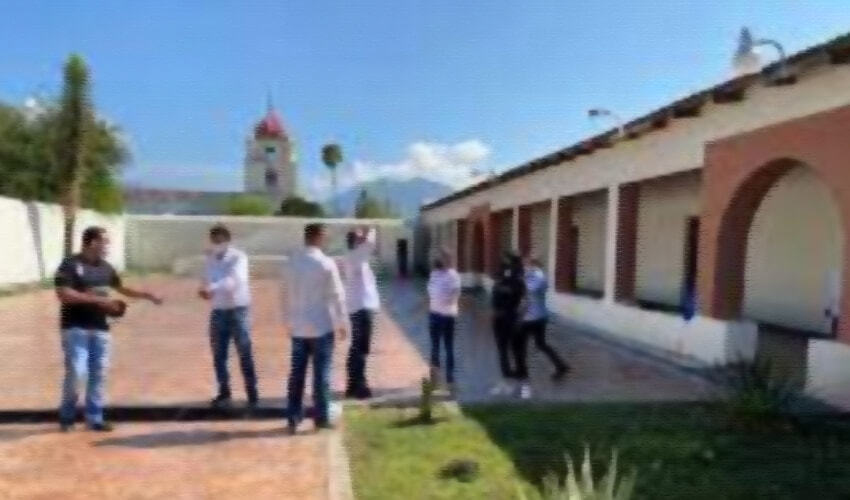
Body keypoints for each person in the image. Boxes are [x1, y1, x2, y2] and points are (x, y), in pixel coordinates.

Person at [54, 226, 162, 432]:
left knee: (99, 373)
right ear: (93, 242)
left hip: (100, 329)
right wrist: (98, 300)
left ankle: (94, 418)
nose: (108, 246)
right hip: (75, 327)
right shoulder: (70, 264)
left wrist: (147, 295)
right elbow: (63, 294)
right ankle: (67, 417)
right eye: (105, 242)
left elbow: (121, 288)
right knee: (77, 372)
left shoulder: (106, 267)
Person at [283, 223, 349, 434]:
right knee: (321, 375)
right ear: (318, 237)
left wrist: (287, 321)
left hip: (298, 327)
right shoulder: (326, 264)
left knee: (297, 374)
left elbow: (284, 294)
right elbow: (337, 296)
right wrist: (342, 323)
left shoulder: (292, 262)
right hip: (321, 326)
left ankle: (293, 417)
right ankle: (321, 418)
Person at [199, 224, 259, 410]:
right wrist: (204, 289)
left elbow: (235, 281)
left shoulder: (238, 257)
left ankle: (252, 392)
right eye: (213, 240)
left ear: (227, 240)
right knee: (219, 354)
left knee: (244, 351)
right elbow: (207, 279)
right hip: (218, 310)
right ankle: (224, 392)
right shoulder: (210, 258)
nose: (216, 244)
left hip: (237, 310)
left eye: (219, 240)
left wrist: (212, 288)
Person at [514, 256, 569, 399]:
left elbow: (530, 289)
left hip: (535, 317)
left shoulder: (539, 277)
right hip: (532, 316)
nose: (524, 267)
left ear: (533, 264)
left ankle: (523, 375)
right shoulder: (530, 276)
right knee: (539, 344)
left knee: (527, 345)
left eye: (526, 265)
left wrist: (520, 280)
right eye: (523, 265)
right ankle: (560, 365)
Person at [341, 226, 380, 400]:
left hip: (358, 307)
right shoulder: (356, 255)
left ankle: (352, 384)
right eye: (359, 237)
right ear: (355, 242)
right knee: (361, 347)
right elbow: (371, 241)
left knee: (357, 346)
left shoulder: (355, 257)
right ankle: (360, 386)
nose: (363, 239)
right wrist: (371, 228)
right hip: (362, 307)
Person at [488, 252, 526, 397]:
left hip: (504, 317)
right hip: (511, 316)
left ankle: (508, 372)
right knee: (514, 347)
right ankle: (518, 371)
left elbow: (498, 296)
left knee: (504, 347)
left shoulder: (505, 280)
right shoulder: (517, 280)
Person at [426, 249, 461, 394]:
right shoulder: (434, 274)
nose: (442, 260)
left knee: (448, 347)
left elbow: (454, 295)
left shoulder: (454, 276)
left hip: (447, 316)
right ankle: (434, 378)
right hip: (434, 314)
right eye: (441, 257)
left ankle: (450, 379)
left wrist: (445, 298)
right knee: (434, 347)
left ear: (450, 259)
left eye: (445, 258)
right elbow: (430, 290)